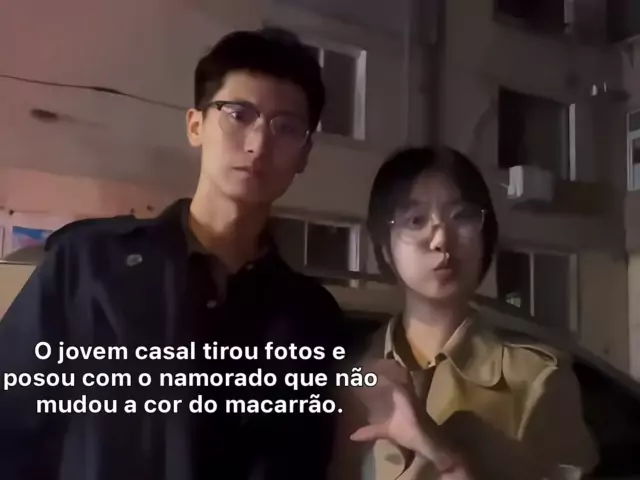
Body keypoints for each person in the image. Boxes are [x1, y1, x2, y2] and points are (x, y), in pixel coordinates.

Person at [0, 28, 344, 480]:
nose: (258, 144)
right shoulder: (87, 265)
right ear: (196, 126)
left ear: (304, 155)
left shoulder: (311, 318)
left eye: (287, 127)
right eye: (238, 115)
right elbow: (11, 428)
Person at [330, 147, 599, 479]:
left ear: (486, 236)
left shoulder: (538, 379)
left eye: (461, 216)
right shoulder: (353, 375)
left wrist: (443, 455)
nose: (441, 239)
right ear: (385, 249)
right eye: (415, 220)